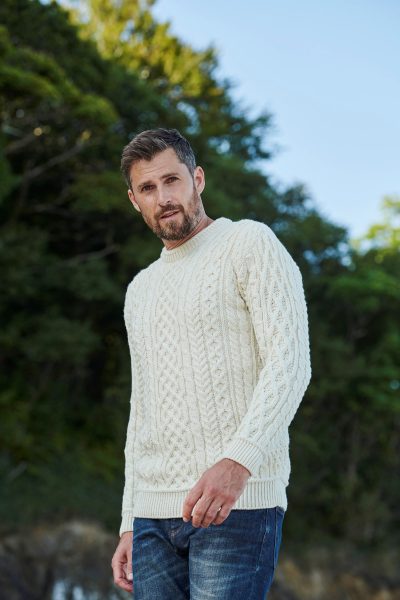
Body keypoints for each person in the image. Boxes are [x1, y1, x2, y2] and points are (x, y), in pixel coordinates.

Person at [111, 128, 312, 599]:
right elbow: (142, 409)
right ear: (134, 201)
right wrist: (128, 520)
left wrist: (238, 462)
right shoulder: (140, 290)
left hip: (237, 505)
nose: (163, 198)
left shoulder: (249, 243)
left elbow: (290, 364)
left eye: (172, 180)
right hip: (152, 519)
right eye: (148, 188)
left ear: (197, 179)